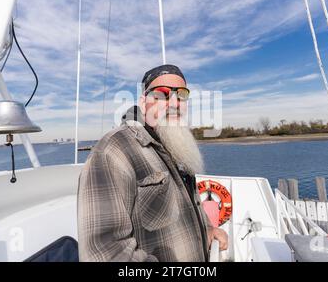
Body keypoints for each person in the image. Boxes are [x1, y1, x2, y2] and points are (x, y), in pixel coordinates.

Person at [77, 64, 228, 262]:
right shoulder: (113, 151)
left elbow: (189, 206)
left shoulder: (176, 144)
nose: (174, 102)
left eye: (181, 95)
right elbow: (105, 254)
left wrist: (207, 230)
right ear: (143, 102)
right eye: (161, 94)